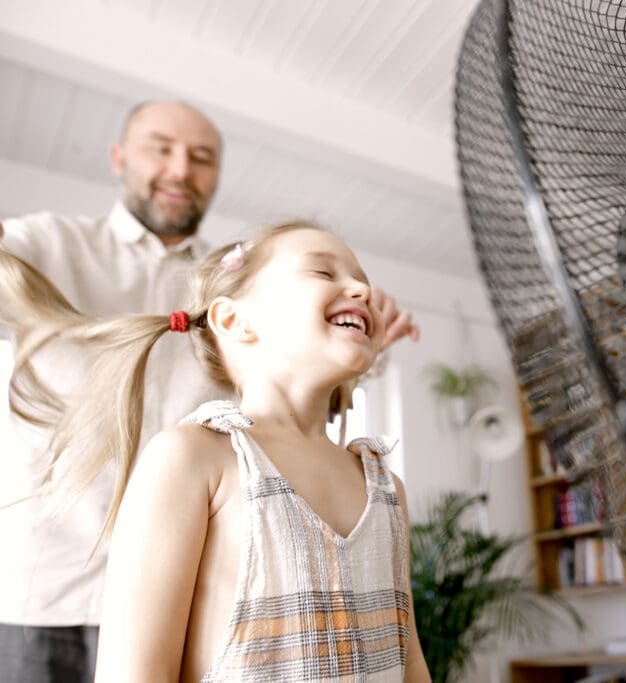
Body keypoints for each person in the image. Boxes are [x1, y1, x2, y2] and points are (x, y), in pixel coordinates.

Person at [0, 100, 419, 681]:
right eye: (161, 148)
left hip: (199, 581)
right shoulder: (45, 244)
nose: (180, 168)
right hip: (46, 590)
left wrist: (347, 315)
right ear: (119, 158)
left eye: (201, 158)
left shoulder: (242, 279)